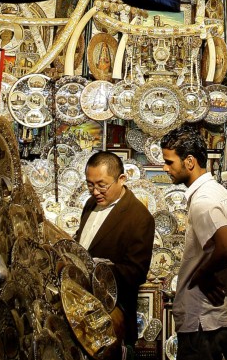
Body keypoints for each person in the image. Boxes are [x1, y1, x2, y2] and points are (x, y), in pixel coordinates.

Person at [160, 125, 227, 360]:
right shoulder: (214, 192)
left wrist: (202, 274)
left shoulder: (203, 201)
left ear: (189, 161)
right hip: (210, 320)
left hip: (204, 323)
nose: (165, 168)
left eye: (169, 162)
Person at [74, 151, 155, 355]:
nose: (95, 191)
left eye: (102, 185)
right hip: (80, 311)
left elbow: (136, 272)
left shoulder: (139, 217)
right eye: (90, 184)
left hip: (112, 317)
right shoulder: (91, 204)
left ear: (121, 179)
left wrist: (101, 270)